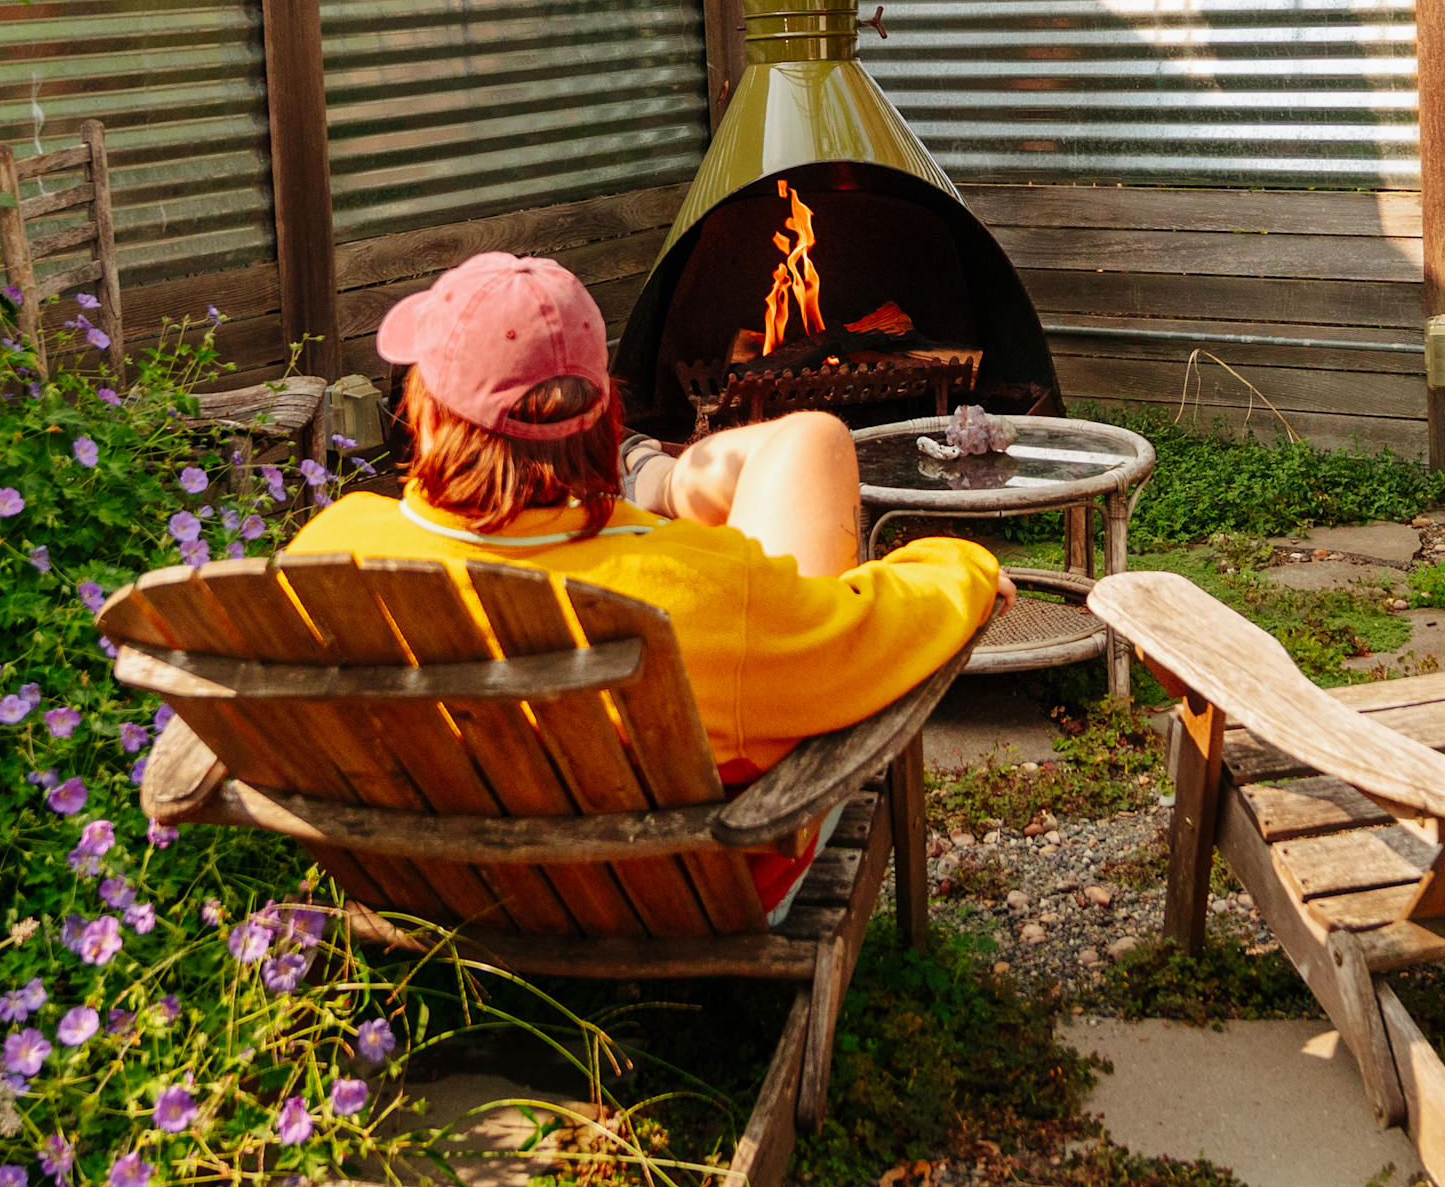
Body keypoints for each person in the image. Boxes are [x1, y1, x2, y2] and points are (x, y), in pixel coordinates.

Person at [279, 251, 1004, 914]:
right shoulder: (701, 593)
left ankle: (652, 483)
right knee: (812, 443)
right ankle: (650, 478)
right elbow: (870, 627)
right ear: (604, 413)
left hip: (432, 888)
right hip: (681, 896)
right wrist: (959, 565)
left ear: (429, 418)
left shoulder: (331, 552)